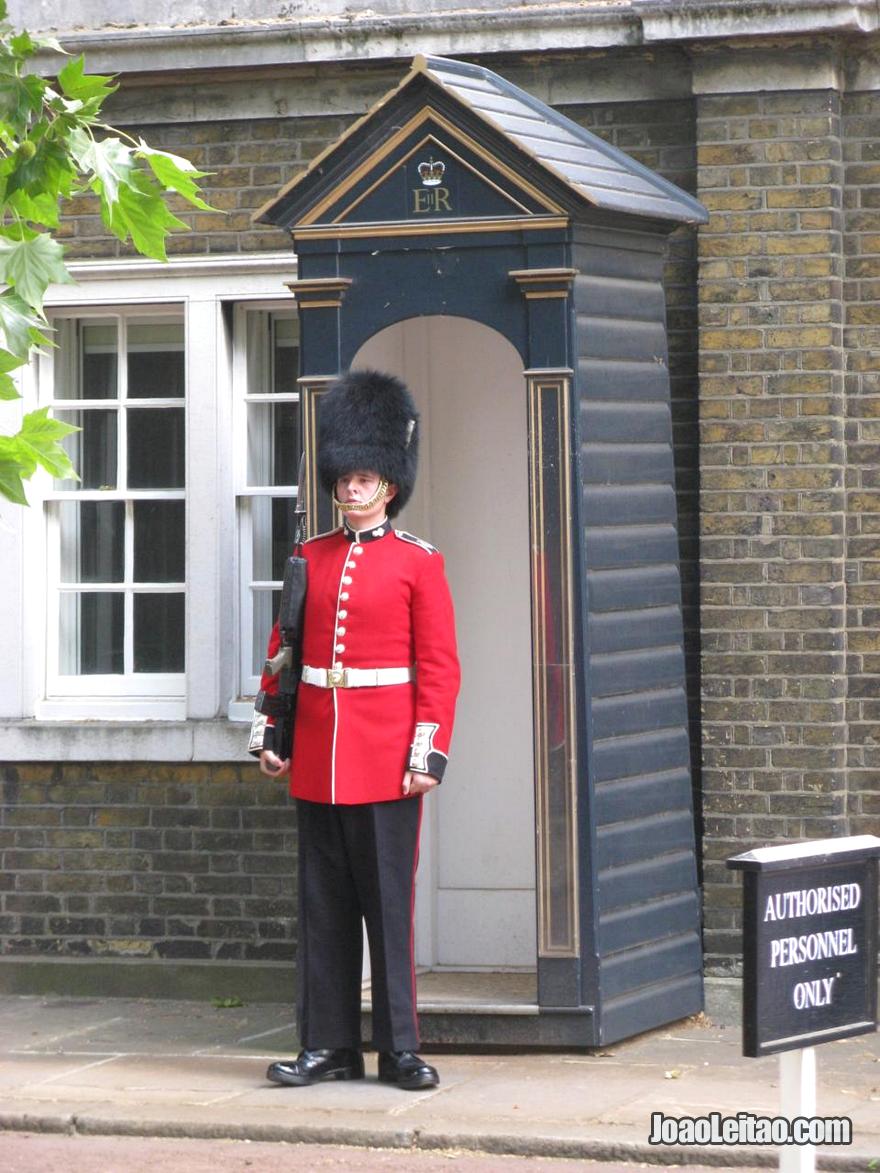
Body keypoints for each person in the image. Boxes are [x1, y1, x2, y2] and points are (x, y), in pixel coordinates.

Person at [249, 369, 460, 1091]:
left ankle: (400, 1047)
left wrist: (426, 752)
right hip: (316, 756)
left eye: (364, 475)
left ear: (389, 484)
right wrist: (271, 731)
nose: (351, 486)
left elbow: (438, 669)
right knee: (324, 910)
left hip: (384, 759)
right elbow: (285, 649)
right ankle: (329, 1045)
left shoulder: (418, 565)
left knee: (387, 912)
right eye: (345, 475)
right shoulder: (310, 557)